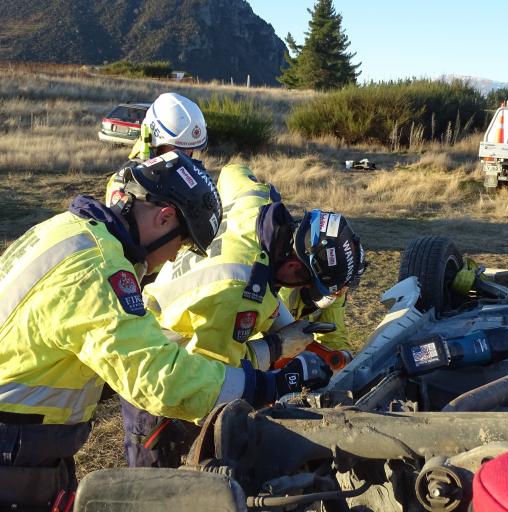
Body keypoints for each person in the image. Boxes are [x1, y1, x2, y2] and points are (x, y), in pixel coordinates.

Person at [0, 152, 331, 510]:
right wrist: (270, 384)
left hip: (30, 439)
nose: (175, 258)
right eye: (184, 242)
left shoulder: (64, 229)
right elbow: (161, 378)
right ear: (164, 217)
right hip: (14, 445)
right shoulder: (98, 269)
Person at [121, 163, 365, 468]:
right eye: (305, 283)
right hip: (159, 363)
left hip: (170, 312)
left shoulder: (255, 200)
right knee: (159, 483)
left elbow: (232, 171)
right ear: (294, 268)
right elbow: (210, 379)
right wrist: (277, 349)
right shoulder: (239, 293)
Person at [105, 91, 208, 207]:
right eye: (178, 149)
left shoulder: (184, 175)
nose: (186, 155)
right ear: (153, 143)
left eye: (191, 149)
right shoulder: (129, 181)